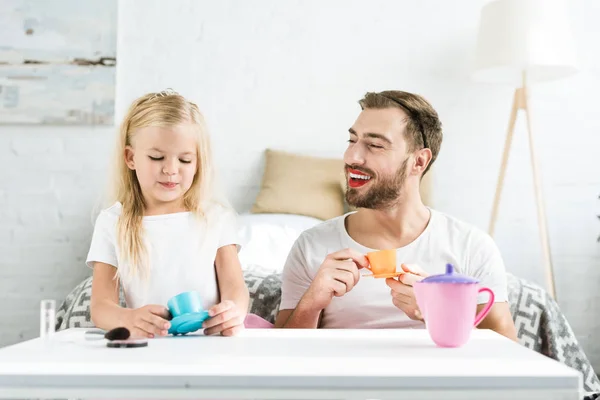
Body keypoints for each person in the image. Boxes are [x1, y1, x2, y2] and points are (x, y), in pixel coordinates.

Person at [274, 90, 517, 341]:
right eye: (352, 141)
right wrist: (310, 304)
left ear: (419, 162)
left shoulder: (470, 246)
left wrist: (442, 314)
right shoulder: (312, 245)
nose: (351, 157)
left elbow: (508, 356)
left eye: (375, 145)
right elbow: (279, 356)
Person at [87, 89, 249, 338]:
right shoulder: (113, 222)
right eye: (157, 157)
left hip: (209, 345)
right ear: (130, 158)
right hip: (151, 346)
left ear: (198, 163)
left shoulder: (215, 217)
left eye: (185, 160)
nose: (171, 170)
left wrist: (232, 312)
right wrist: (128, 318)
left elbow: (235, 289)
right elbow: (100, 307)